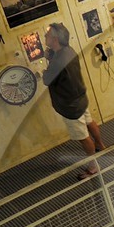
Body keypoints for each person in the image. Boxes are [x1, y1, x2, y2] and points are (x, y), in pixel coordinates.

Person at [42, 23, 104, 177]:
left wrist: (46, 66)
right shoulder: (69, 51)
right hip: (81, 99)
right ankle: (101, 146)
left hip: (70, 106)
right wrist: (52, 57)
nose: (45, 37)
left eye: (47, 35)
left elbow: (47, 79)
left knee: (83, 137)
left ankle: (93, 167)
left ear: (55, 40)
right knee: (89, 121)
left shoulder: (57, 62)